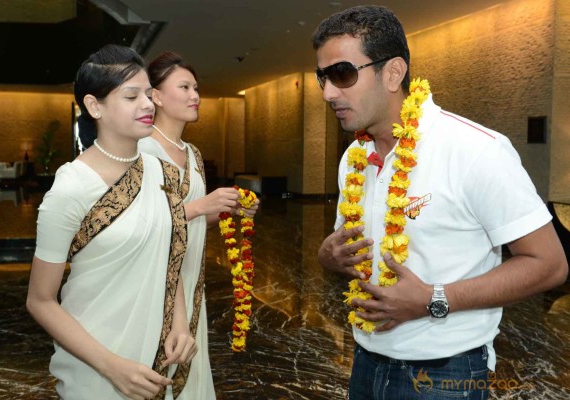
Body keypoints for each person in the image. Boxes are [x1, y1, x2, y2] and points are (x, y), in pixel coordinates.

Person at [313, 5, 568, 400]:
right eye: (323, 78)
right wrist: (329, 256)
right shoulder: (354, 158)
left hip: (446, 375)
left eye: (343, 74)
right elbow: (344, 248)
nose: (329, 92)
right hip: (364, 361)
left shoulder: (476, 150)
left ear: (393, 72)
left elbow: (549, 264)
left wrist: (433, 299)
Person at [26, 44, 197, 400]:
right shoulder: (71, 188)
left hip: (155, 360)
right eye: (132, 96)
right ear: (94, 106)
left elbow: (170, 256)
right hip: (95, 366)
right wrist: (111, 367)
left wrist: (180, 323)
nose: (149, 105)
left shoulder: (162, 173)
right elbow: (40, 300)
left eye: (149, 95)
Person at [138, 51, 259, 399]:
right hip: (157, 274)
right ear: (156, 96)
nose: (195, 95)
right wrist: (200, 206)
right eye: (185, 87)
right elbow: (143, 220)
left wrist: (228, 209)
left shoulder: (192, 153)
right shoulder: (143, 151)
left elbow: (192, 217)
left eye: (196, 87)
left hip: (191, 274)